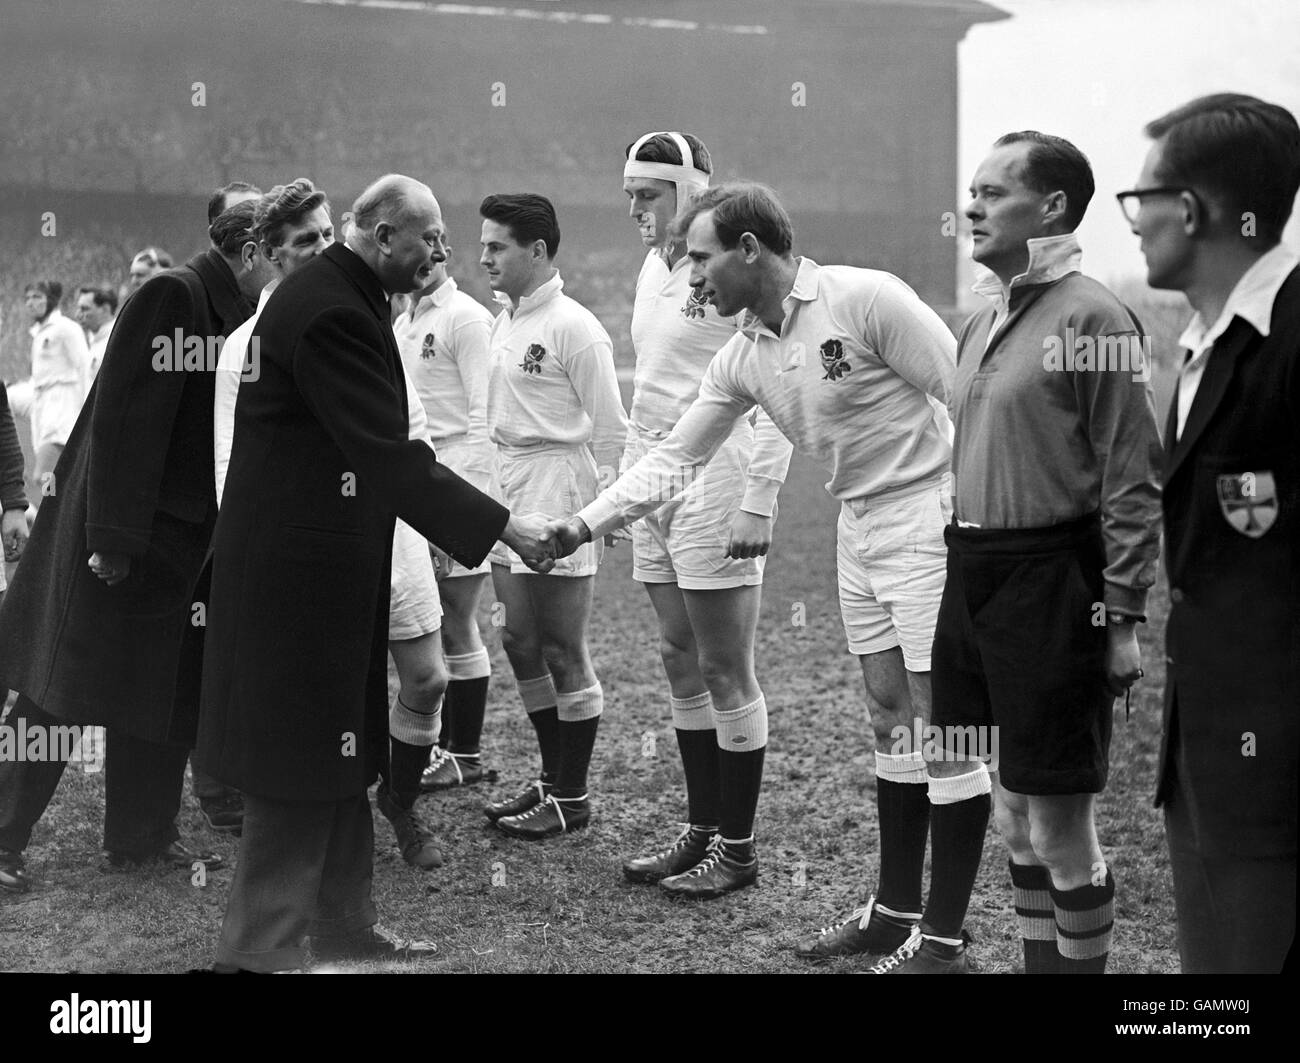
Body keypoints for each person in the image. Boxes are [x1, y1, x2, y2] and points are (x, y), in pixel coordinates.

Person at [546, 181, 958, 911]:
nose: (694, 279)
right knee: (888, 713)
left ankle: (944, 930)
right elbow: (676, 455)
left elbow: (967, 396)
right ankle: (896, 911)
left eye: (701, 260)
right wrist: (586, 523)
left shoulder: (865, 298)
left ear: (748, 248)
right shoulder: (742, 354)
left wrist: (979, 524)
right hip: (854, 525)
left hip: (928, 517)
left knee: (946, 723)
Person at [195, 175, 556, 971]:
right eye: (427, 239)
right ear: (384, 234)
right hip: (297, 582)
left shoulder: (344, 297)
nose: (439, 253)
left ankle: (345, 924)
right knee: (296, 765)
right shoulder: (330, 312)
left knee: (339, 749)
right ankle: (259, 953)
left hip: (327, 569)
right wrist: (506, 527)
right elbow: (388, 458)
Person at [867, 132, 1162, 974]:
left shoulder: (1096, 317)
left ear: (1054, 207)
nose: (972, 207)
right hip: (972, 578)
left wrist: (1125, 614)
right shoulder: (982, 318)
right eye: (972, 191)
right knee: (1006, 811)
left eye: (994, 193)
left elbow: (1132, 480)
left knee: (1060, 827)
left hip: (1054, 585)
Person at [0, 199, 272, 896]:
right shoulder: (173, 295)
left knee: (165, 688)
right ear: (249, 250)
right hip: (116, 541)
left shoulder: (237, 315)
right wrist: (114, 541)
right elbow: (124, 425)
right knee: (60, 691)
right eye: (286, 246)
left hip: (180, 546)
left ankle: (140, 837)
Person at [1123, 93, 1298, 973]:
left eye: (1140, 199)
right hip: (1206, 745)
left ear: (1188, 208)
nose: (1135, 222)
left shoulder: (1291, 338)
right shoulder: (1199, 343)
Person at [614, 132, 791, 899]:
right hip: (652, 473)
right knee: (675, 654)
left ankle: (740, 849)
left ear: (689, 190)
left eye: (647, 195)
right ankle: (703, 828)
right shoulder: (653, 271)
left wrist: (758, 498)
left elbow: (778, 382)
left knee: (724, 665)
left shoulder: (726, 268)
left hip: (717, 474)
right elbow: (653, 381)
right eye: (629, 195)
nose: (634, 210)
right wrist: (625, 488)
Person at [477, 192, 628, 841]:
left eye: (497, 246)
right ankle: (550, 773)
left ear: (537, 250)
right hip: (508, 490)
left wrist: (608, 509)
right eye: (483, 245)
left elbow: (614, 431)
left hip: (561, 487)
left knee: (565, 649)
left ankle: (573, 793)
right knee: (518, 641)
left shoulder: (575, 326)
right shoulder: (502, 321)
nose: (483, 257)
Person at [210, 178, 334, 837]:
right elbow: (229, 459)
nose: (323, 248)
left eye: (328, 234)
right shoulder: (243, 346)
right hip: (280, 546)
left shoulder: (362, 323)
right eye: (306, 240)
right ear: (270, 253)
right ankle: (276, 823)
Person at [392, 250, 499, 795]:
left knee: (457, 618)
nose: (426, 260)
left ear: (446, 255)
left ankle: (466, 753)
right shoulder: (405, 319)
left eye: (435, 250)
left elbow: (484, 418)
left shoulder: (467, 317)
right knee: (437, 618)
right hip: (418, 484)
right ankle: (444, 747)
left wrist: (462, 512)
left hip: (454, 482)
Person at [11, 281, 90, 510]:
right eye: (28, 298)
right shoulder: (40, 334)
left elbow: (83, 367)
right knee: (55, 476)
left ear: (51, 299)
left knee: (44, 476)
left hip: (62, 411)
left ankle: (53, 516)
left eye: (37, 297)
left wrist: (86, 413)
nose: (31, 303)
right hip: (44, 410)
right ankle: (61, 515)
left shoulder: (66, 328)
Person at [74, 286, 117, 380]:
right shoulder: (93, 340)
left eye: (84, 309)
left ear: (105, 309)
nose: (77, 315)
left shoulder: (117, 341)